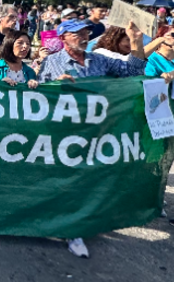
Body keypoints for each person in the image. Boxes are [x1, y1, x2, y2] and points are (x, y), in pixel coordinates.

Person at [37, 18, 146, 258]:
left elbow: (134, 72)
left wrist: (137, 42)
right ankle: (58, 221)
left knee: (87, 177)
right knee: (63, 177)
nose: (84, 37)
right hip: (64, 131)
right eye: (77, 33)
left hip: (97, 130)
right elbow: (36, 95)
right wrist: (55, 84)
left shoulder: (100, 59)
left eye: (87, 32)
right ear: (63, 37)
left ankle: (76, 226)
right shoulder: (52, 62)